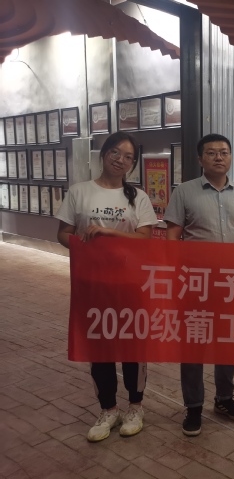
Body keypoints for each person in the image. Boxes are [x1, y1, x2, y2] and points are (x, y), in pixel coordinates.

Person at [55, 132, 157, 442]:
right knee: (99, 346)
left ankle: (135, 407)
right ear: (103, 154)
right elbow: (63, 233)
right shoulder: (79, 192)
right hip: (93, 283)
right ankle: (108, 409)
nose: (120, 160)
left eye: (128, 157)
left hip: (130, 283)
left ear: (132, 163)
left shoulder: (138, 197)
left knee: (132, 346)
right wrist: (86, 247)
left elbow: (145, 238)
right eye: (115, 152)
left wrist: (109, 235)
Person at [164, 133, 234, 437]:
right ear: (200, 159)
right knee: (193, 344)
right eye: (211, 152)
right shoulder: (185, 192)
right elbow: (173, 236)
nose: (218, 157)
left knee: (228, 342)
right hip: (196, 284)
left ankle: (224, 398)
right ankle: (193, 406)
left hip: (232, 284)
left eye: (224, 152)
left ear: (230, 157)